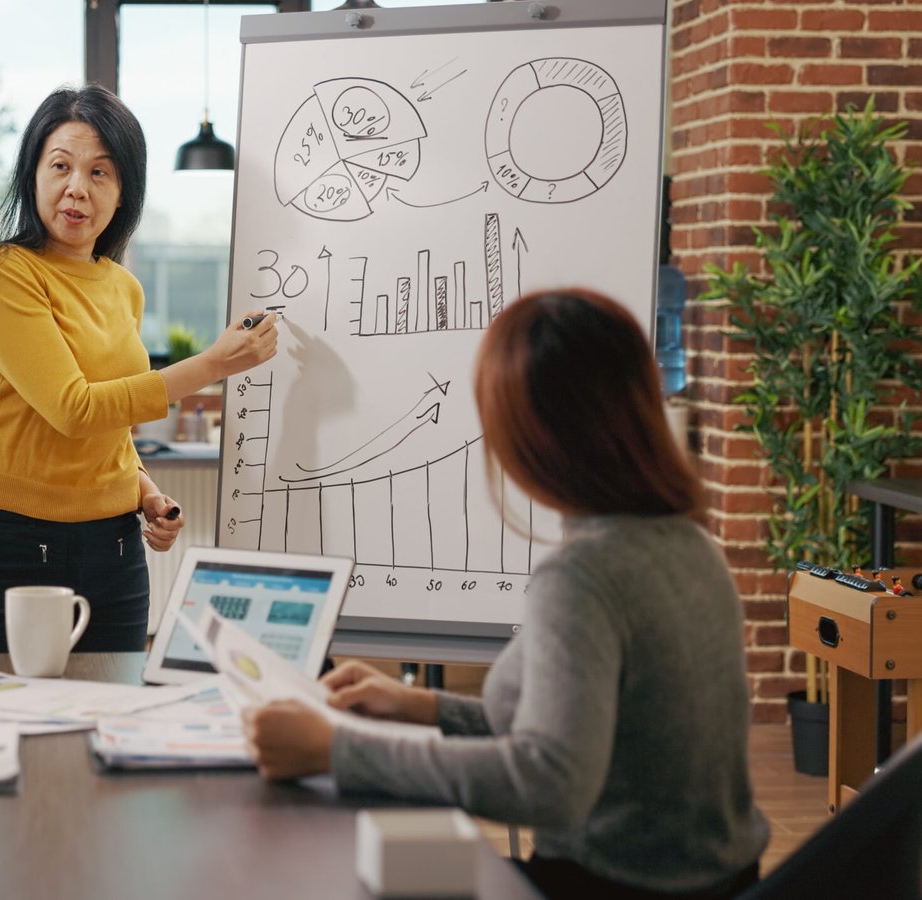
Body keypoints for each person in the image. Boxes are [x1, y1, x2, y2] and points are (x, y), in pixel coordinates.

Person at [246, 289, 769, 899]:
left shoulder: (584, 576)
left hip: (609, 884)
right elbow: (575, 727)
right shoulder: (689, 544)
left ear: (539, 433)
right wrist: (425, 709)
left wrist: (338, 750)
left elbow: (550, 778)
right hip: (717, 879)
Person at [0, 85, 278, 652]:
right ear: (33, 176)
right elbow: (73, 410)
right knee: (1, 727)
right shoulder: (4, 272)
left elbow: (107, 428)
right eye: (61, 166)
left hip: (116, 551)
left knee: (111, 719)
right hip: (7, 544)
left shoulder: (124, 287)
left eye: (100, 173)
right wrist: (214, 365)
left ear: (124, 192)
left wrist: (143, 490)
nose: (78, 188)